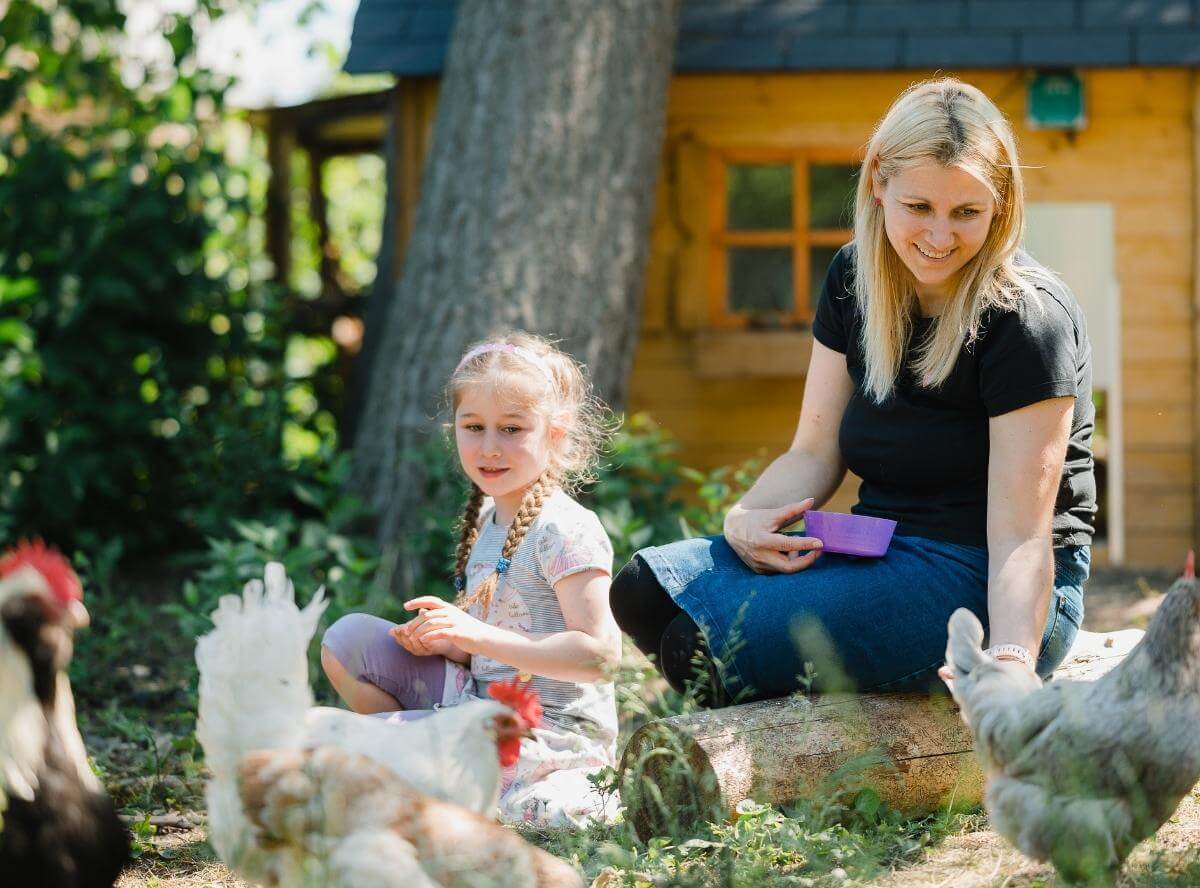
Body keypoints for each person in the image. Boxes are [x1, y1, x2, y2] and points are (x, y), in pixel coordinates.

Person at [610, 77, 1095, 706]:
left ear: (1000, 206)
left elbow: (1022, 539)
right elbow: (814, 454)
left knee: (697, 642)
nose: (940, 237)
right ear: (878, 184)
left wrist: (1008, 661)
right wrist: (743, 522)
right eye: (919, 208)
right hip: (881, 546)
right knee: (643, 591)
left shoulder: (1027, 319)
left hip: (991, 579)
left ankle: (791, 751)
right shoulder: (853, 278)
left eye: (967, 213)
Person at [321, 332, 622, 827]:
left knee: (352, 758)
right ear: (454, 428)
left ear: (555, 432)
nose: (489, 448)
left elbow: (599, 656)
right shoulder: (489, 519)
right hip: (476, 702)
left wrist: (476, 635)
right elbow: (489, 647)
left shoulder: (565, 529)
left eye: (511, 429)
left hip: (547, 733)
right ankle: (431, 778)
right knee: (347, 640)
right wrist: (449, 642)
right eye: (474, 426)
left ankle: (462, 791)